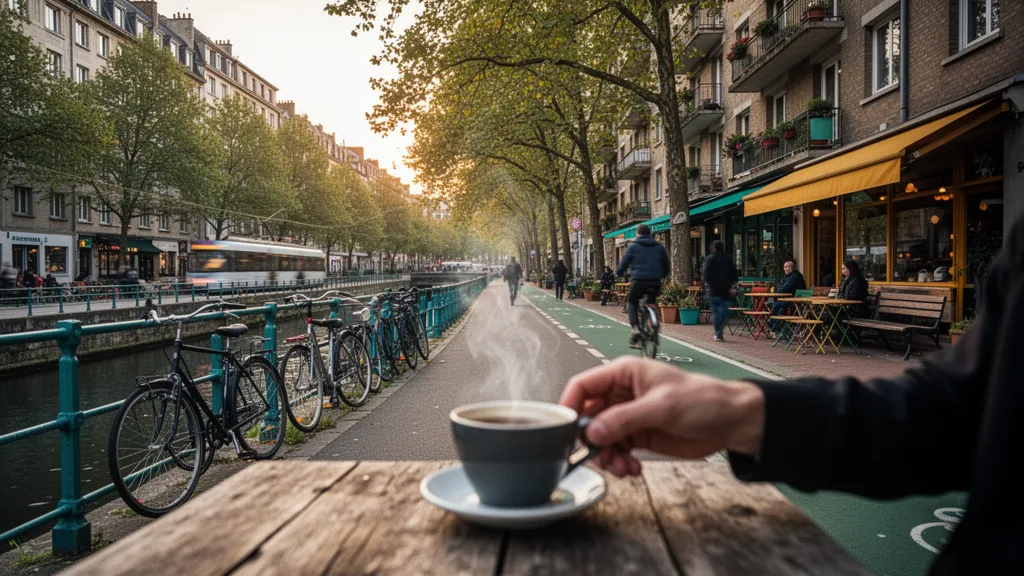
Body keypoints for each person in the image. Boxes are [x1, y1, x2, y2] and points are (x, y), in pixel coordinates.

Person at [561, 217, 1024, 574]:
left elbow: (955, 406)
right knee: (705, 309)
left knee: (630, 304)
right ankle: (678, 327)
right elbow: (965, 407)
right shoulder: (660, 248)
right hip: (660, 282)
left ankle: (637, 324)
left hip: (641, 285)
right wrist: (744, 413)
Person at [615, 224, 670, 347]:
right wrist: (664, 275)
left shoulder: (633, 247)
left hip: (639, 280)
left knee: (632, 302)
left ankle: (635, 328)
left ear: (638, 234)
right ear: (650, 234)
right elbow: (666, 265)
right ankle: (653, 321)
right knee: (652, 301)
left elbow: (623, 263)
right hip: (655, 281)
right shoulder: (659, 247)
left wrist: (619, 272)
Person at [701, 240, 737, 342]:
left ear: (714, 248)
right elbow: (734, 274)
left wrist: (710, 284)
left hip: (714, 290)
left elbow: (705, 275)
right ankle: (718, 332)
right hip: (726, 290)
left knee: (716, 312)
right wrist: (732, 286)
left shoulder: (709, 259)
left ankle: (718, 332)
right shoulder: (728, 258)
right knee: (725, 310)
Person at [768, 260, 806, 333]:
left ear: (792, 268)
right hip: (790, 299)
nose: (785, 269)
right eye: (784, 267)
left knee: (777, 305)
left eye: (787, 267)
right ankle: (775, 326)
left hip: (796, 301)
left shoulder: (794, 277)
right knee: (777, 305)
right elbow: (781, 287)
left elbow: (784, 289)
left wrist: (776, 290)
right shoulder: (788, 276)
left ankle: (774, 327)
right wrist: (777, 289)